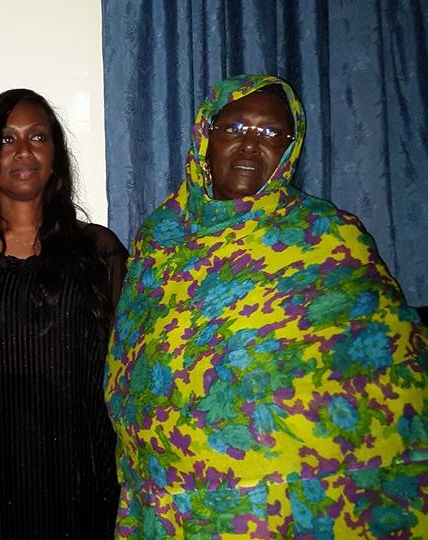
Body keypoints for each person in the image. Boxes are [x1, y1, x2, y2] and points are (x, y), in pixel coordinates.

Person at [105, 74, 428, 538]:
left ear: (290, 149)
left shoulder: (327, 235)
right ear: (205, 137)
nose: (250, 145)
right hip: (171, 490)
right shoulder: (162, 236)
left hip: (282, 497)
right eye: (235, 129)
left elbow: (392, 367)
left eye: (272, 133)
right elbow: (131, 360)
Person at [0, 89, 127, 537]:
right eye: (7, 139)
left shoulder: (98, 251)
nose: (24, 150)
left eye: (38, 137)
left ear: (55, 155)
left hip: (83, 482)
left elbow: (129, 372)